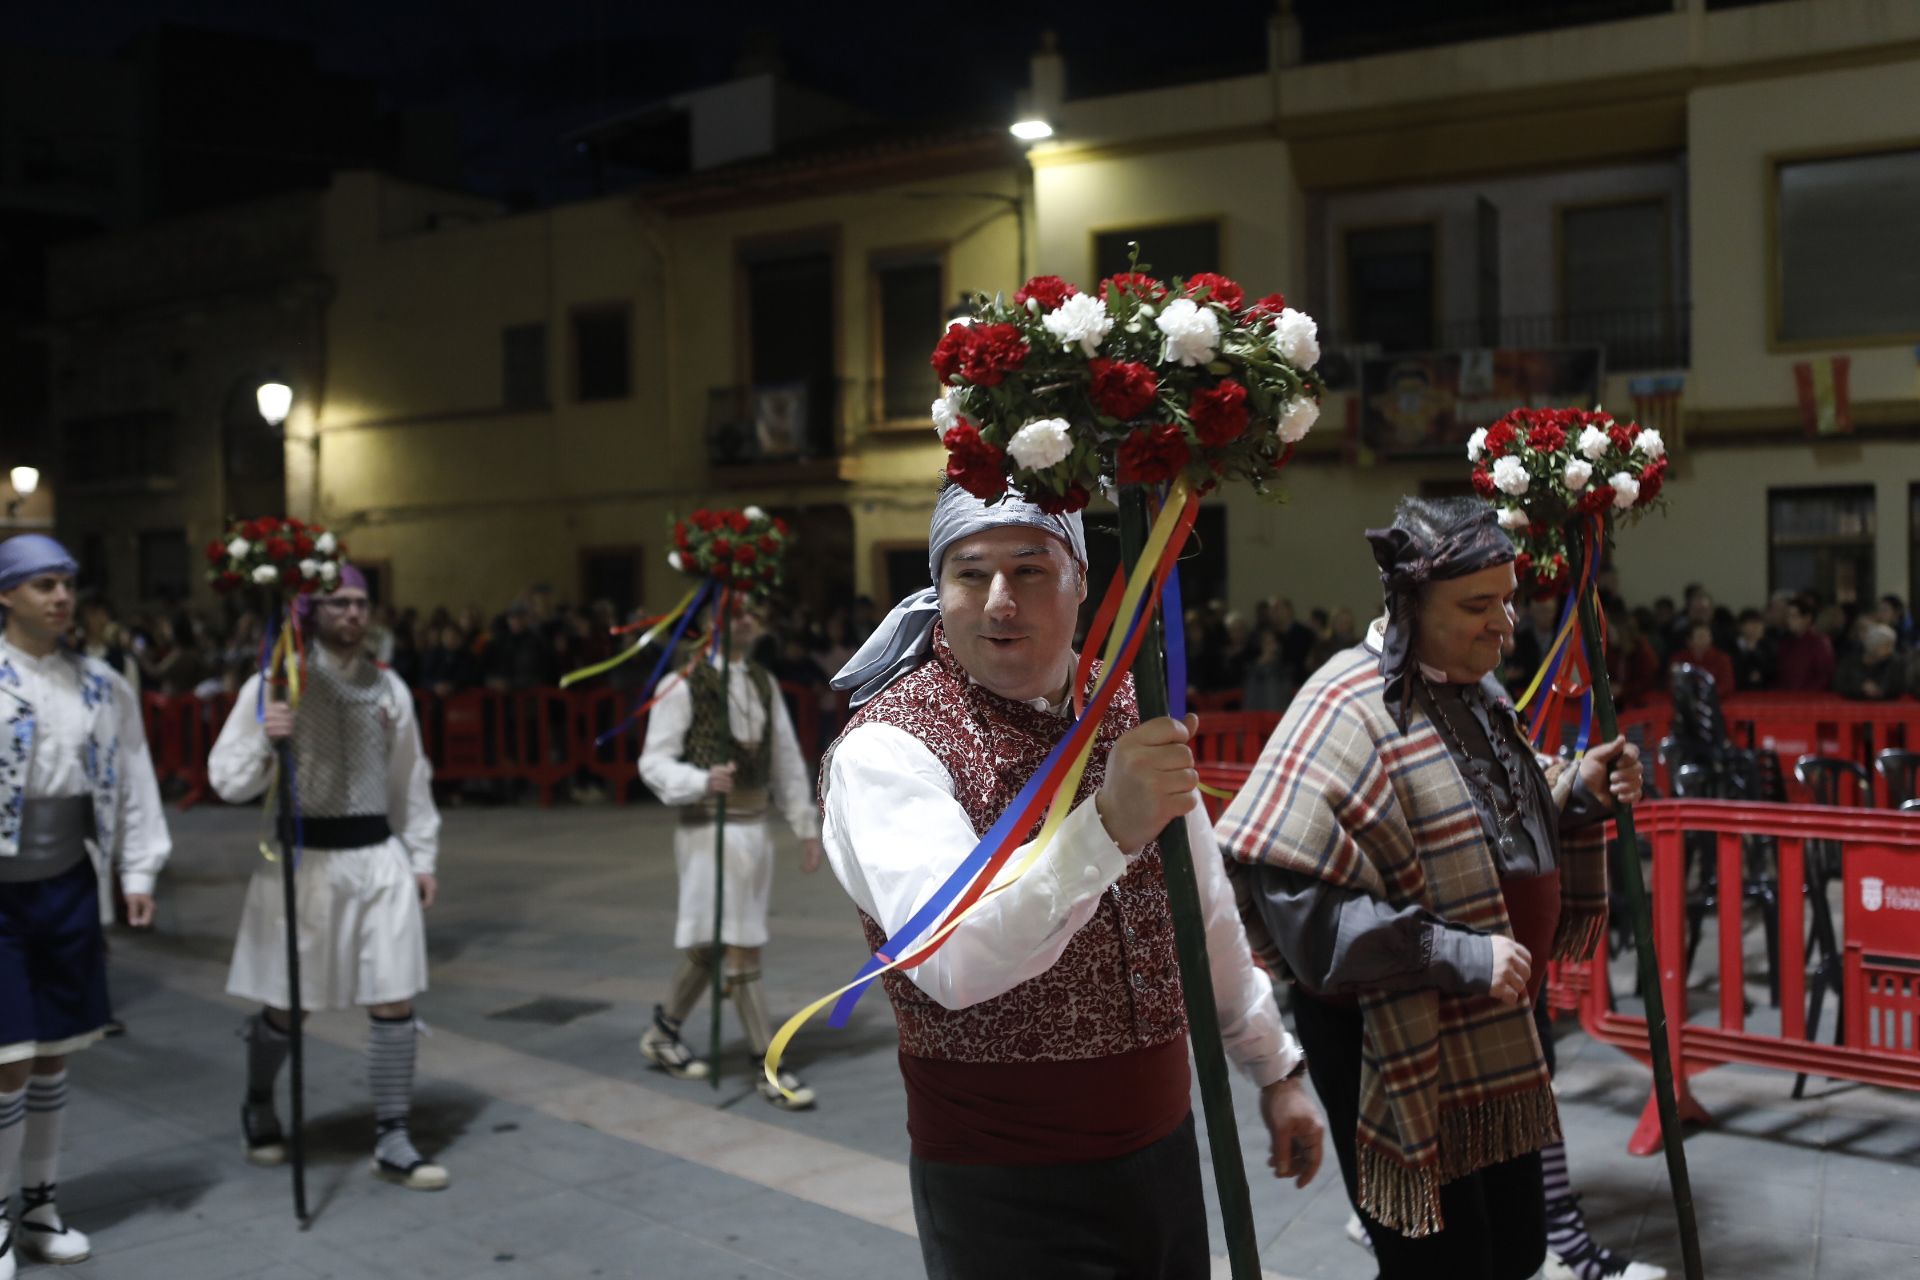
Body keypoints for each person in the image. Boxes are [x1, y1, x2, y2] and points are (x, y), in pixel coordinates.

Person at [821, 480, 1323, 1278]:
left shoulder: (1126, 714)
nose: (998, 602)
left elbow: (1206, 913)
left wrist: (1275, 1067)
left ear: (1081, 582)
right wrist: (1108, 827)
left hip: (1161, 1150)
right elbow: (951, 959)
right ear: (935, 586)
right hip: (1000, 1184)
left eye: (1029, 570)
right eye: (969, 573)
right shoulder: (891, 748)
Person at [1216, 497, 1649, 1279]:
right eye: (1477, 606)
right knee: (1440, 1264)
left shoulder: (1470, 689)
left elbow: (1500, 810)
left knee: (1514, 1245)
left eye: (1508, 600)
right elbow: (1300, 909)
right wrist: (1453, 952)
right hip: (1393, 1024)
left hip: (1492, 1016)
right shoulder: (1344, 706)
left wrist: (1578, 789)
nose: (1505, 625)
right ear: (1410, 607)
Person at [209, 565, 449, 1191]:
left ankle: (393, 1135)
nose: (352, 614)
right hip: (305, 859)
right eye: (339, 603)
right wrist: (268, 737)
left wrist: (421, 856)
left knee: (394, 993)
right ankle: (259, 1101)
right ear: (310, 610)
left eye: (361, 604)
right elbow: (226, 781)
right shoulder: (274, 685)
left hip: (376, 854)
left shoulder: (390, 689)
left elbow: (410, 778)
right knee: (290, 1003)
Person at [0, 536, 171, 1274]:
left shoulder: (102, 683)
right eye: (43, 585)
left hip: (69, 878)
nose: (61, 597)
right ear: (7, 595)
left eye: (67, 584)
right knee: (8, 1056)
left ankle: (40, 1204)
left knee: (55, 1056)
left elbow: (134, 776)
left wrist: (138, 871)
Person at [636, 600, 824, 1109]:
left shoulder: (761, 682)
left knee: (718, 943)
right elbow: (653, 762)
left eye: (754, 612)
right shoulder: (681, 682)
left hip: (752, 831)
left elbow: (785, 758)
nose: (747, 620)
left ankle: (663, 1032)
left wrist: (806, 825)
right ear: (708, 621)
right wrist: (699, 780)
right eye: (734, 611)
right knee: (742, 945)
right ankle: (769, 1067)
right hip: (707, 832)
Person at [1775, 594, 1835, 692]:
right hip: (1786, 698)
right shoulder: (1785, 644)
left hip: (1810, 699)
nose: (1789, 620)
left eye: (1794, 616)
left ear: (1807, 618)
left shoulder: (1819, 643)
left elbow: (1824, 676)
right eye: (1788, 616)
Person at [1835, 623, 1904, 701]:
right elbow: (1839, 684)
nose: (1891, 651)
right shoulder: (1850, 661)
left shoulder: (1894, 663)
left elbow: (1897, 687)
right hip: (1852, 705)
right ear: (1873, 645)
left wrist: (1881, 690)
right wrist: (1861, 687)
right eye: (1887, 646)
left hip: (1884, 706)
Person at [1668, 622, 1735, 698]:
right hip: (1687, 700)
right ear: (1689, 641)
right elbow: (1674, 684)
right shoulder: (1678, 659)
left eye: (1708, 636)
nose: (1705, 640)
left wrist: (1706, 694)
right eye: (1700, 636)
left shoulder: (1722, 658)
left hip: (1716, 700)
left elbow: (1727, 685)